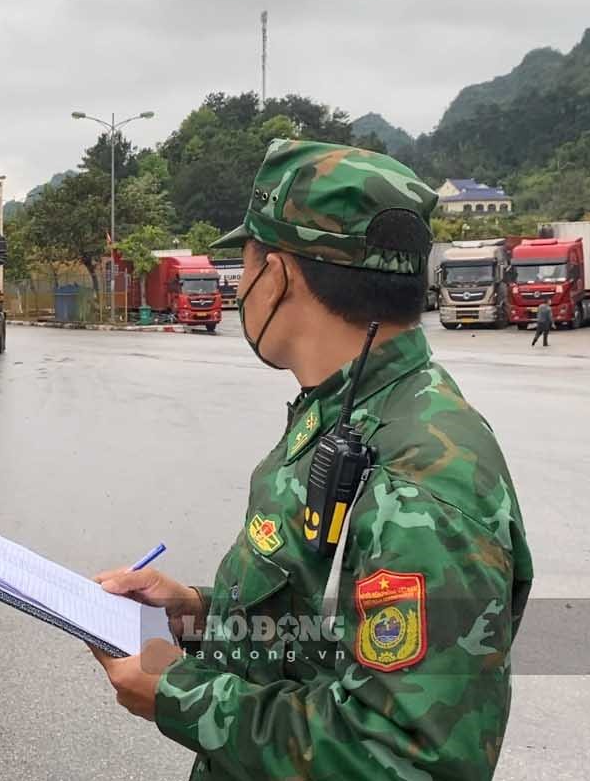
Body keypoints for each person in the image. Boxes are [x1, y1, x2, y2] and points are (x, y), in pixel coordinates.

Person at [90, 140, 533, 780]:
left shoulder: (418, 482)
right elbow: (326, 622)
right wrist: (195, 609)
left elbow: (405, 758)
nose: (240, 288)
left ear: (279, 277)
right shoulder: (350, 408)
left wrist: (176, 695)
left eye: (244, 267)